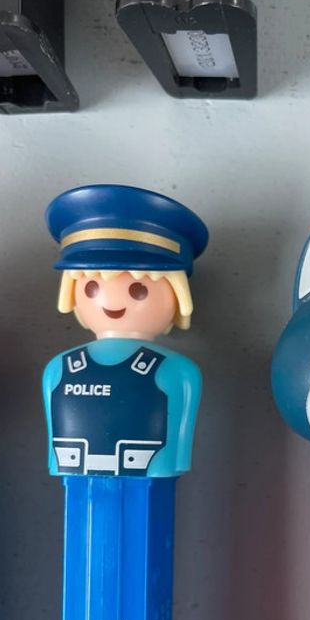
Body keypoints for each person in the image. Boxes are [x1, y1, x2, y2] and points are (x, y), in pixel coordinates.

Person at [42, 184, 207, 477]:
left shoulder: (176, 370)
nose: (112, 301)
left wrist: (173, 462)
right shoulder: (60, 368)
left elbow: (180, 448)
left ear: (178, 294)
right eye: (92, 287)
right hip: (78, 476)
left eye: (138, 290)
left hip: (148, 476)